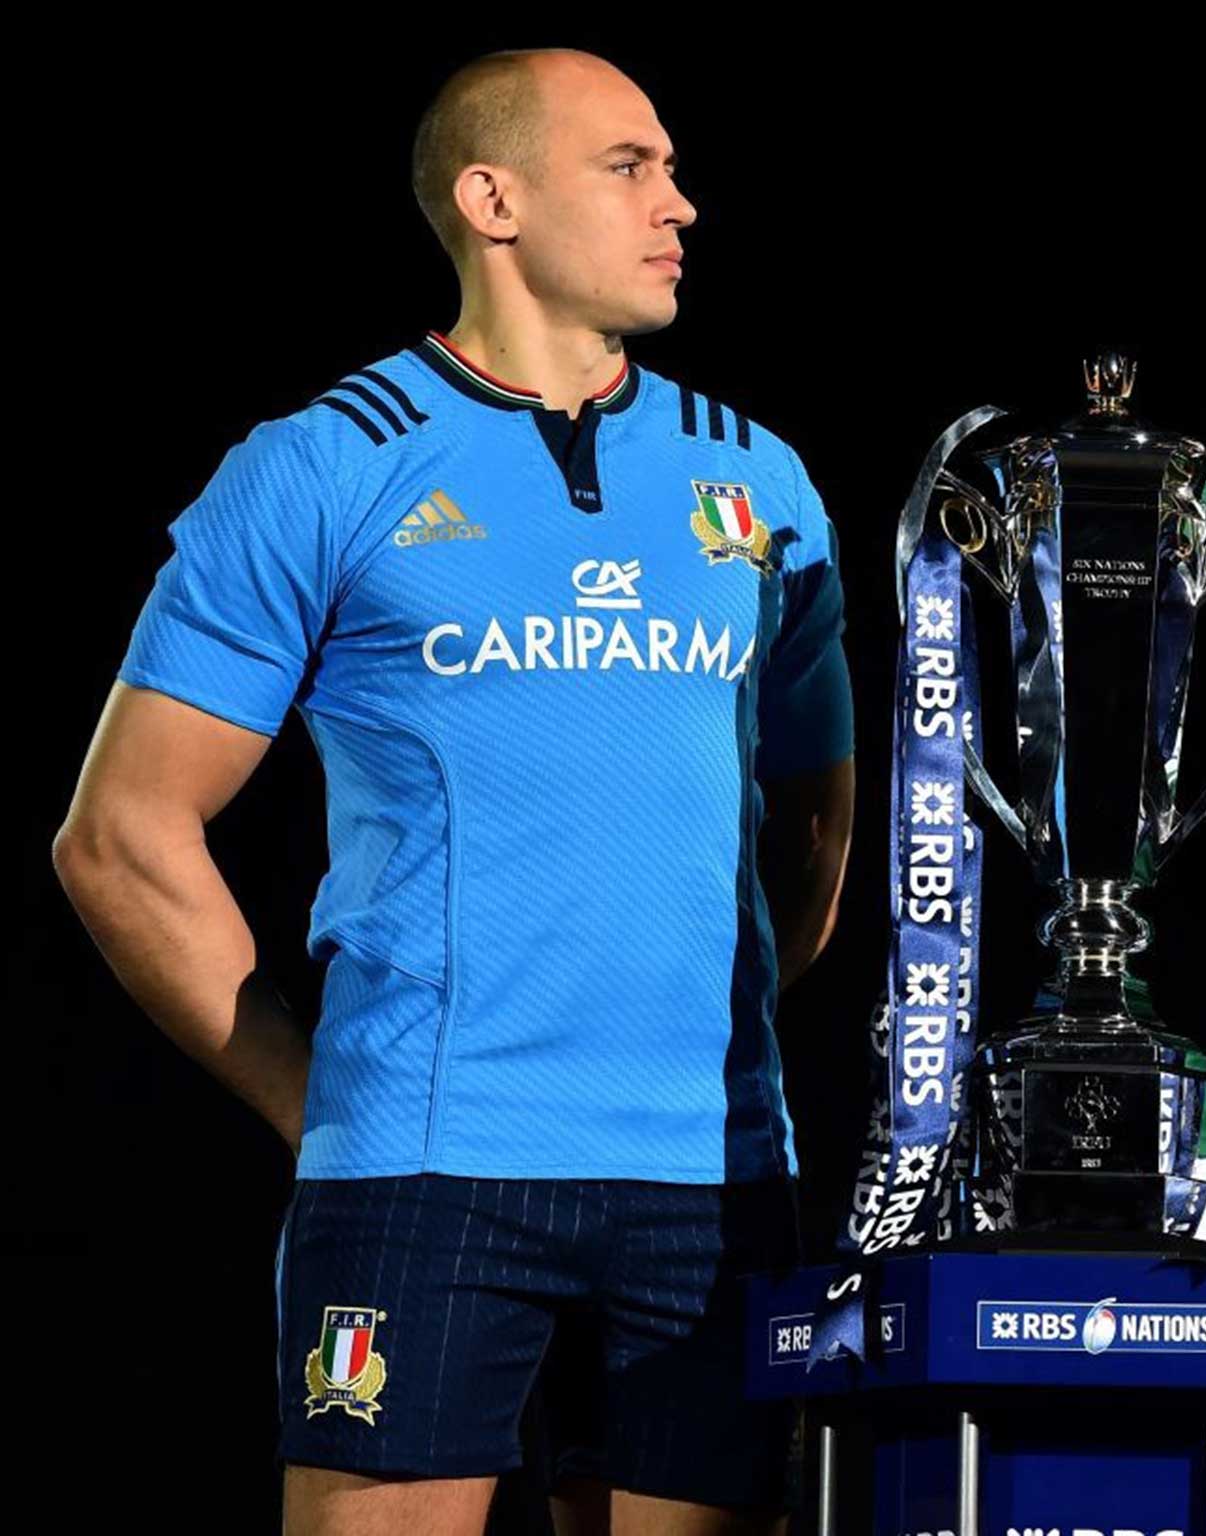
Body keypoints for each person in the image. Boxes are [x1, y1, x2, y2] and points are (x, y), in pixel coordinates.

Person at [52, 47, 853, 1536]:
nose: (680, 204)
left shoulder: (765, 484)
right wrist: (315, 1099)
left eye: (671, 168)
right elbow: (120, 835)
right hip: (427, 1174)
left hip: (716, 1177)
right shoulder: (318, 467)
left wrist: (706, 1012)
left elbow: (817, 818)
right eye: (631, 168)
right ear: (493, 199)